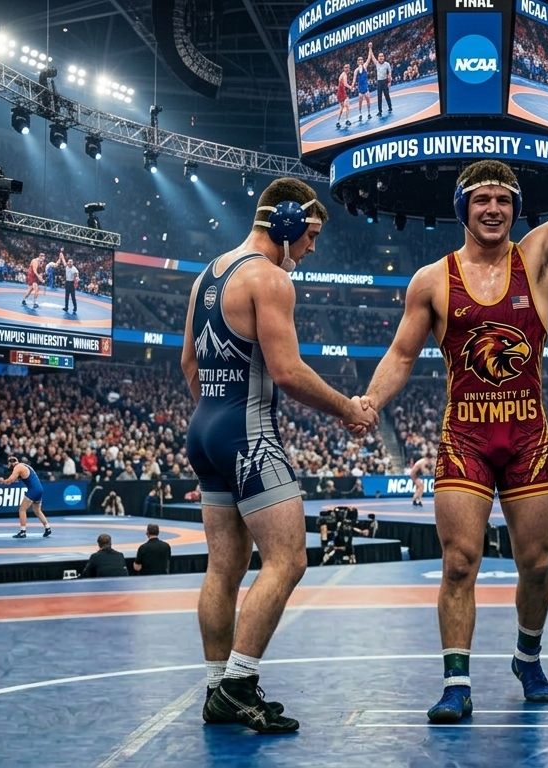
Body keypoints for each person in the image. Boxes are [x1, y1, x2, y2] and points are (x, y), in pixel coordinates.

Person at [362, 60, 548, 723]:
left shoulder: (536, 258)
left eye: (504, 200)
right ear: (463, 209)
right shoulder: (432, 279)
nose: (495, 208)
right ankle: (456, 682)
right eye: (482, 200)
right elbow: (400, 353)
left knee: (535, 563)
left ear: (514, 209)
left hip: (528, 437)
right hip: (467, 438)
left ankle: (528, 656)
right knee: (459, 561)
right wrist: (370, 402)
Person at [183, 177, 376, 734]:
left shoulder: (208, 276)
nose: (312, 248)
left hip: (206, 428)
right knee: (288, 560)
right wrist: (347, 408)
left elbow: (189, 367)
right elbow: (288, 373)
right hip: (246, 432)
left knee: (224, 567)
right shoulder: (269, 279)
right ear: (286, 225)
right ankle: (240, 687)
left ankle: (218, 685)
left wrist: (216, 421)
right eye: (310, 235)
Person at [1, 457, 52, 538]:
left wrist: (2, 481)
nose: (9, 467)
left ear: (12, 463)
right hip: (39, 489)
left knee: (22, 509)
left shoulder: (18, 467)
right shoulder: (24, 465)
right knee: (37, 511)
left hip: (33, 490)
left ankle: (23, 531)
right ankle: (47, 528)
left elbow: (9, 481)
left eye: (9, 465)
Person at [370, 42, 393, 116]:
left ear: (384, 57)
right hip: (379, 82)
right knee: (379, 97)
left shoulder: (387, 64)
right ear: (378, 58)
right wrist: (370, 48)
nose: (381, 57)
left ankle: (390, 107)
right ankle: (380, 111)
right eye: (379, 56)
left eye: (382, 56)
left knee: (387, 95)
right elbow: (372, 56)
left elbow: (389, 73)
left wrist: (389, 82)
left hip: (385, 81)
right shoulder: (377, 64)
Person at [335, 64, 352, 128]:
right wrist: (350, 87)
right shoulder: (344, 75)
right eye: (345, 67)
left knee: (342, 108)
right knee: (347, 106)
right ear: (343, 68)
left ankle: (338, 122)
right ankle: (347, 120)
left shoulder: (342, 74)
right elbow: (345, 84)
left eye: (348, 67)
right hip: (342, 93)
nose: (347, 69)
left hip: (340, 93)